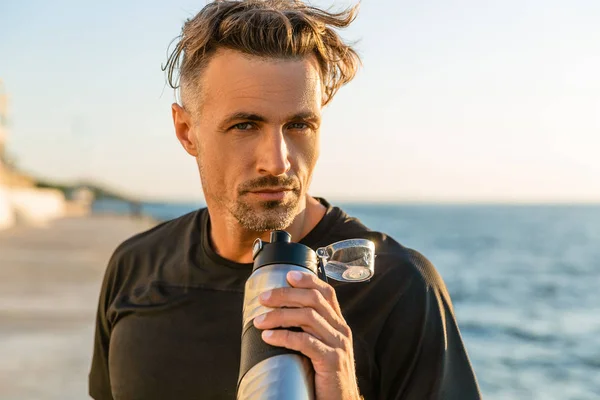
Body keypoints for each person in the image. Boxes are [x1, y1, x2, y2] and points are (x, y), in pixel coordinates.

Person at [88, 1, 481, 399]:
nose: (277, 161)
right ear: (187, 131)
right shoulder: (135, 269)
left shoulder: (398, 287)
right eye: (245, 125)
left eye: (299, 124)